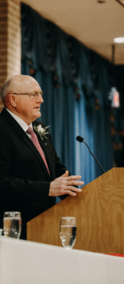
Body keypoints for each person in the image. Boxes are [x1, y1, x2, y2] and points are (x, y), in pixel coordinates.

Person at [0, 75, 84, 240]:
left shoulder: (40, 128)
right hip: (13, 229)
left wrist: (81, 195)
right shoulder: (2, 130)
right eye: (34, 94)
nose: (41, 100)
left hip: (45, 226)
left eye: (41, 93)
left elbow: (56, 169)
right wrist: (47, 189)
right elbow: (2, 182)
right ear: (13, 99)